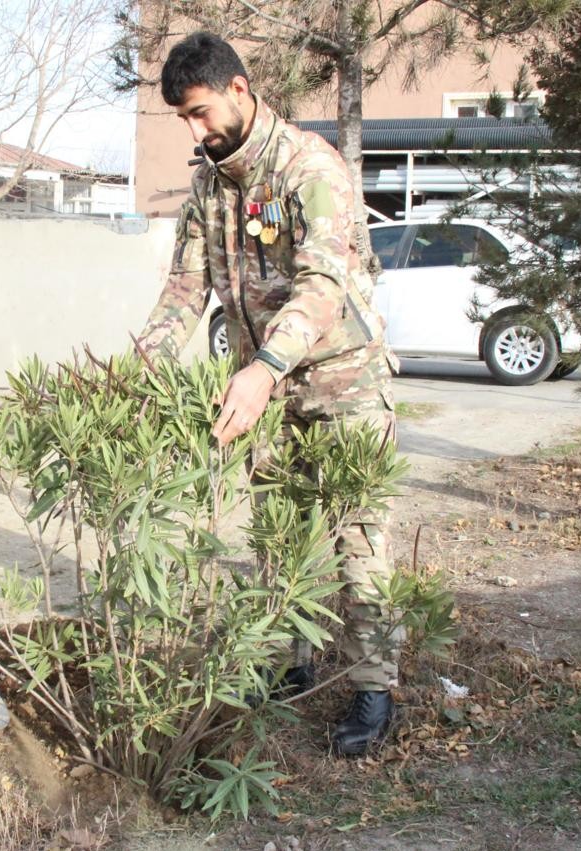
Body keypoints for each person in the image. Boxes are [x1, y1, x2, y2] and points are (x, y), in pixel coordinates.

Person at [137, 32, 400, 757]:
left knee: (358, 537)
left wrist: (261, 368)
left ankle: (374, 689)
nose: (197, 131)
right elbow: (186, 288)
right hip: (270, 392)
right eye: (184, 120)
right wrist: (145, 361)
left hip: (340, 382)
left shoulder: (311, 169)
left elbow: (322, 285)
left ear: (241, 90)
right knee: (282, 534)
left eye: (200, 112)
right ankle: (293, 664)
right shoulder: (210, 185)